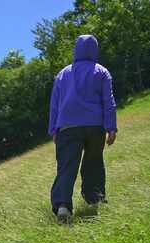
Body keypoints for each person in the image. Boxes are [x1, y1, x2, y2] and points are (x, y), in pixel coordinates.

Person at [48, 34, 117, 222]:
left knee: (66, 166)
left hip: (68, 127)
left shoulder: (63, 74)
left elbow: (54, 104)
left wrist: (53, 129)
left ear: (75, 49)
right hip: (95, 127)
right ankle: (94, 200)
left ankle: (62, 206)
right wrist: (111, 127)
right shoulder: (101, 72)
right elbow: (108, 101)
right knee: (93, 162)